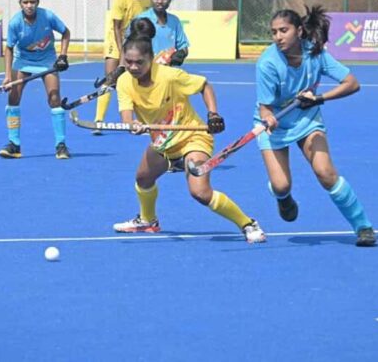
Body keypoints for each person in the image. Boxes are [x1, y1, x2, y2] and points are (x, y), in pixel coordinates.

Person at [113, 36, 266, 244]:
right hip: (163, 141)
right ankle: (148, 221)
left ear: (150, 58)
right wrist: (131, 125)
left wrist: (213, 114)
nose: (133, 67)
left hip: (193, 138)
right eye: (129, 62)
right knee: (143, 178)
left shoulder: (169, 76)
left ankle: (248, 224)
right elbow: (126, 115)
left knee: (200, 192)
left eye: (139, 62)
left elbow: (204, 85)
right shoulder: (124, 81)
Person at [255, 5, 377, 247]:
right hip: (275, 126)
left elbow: (352, 83)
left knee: (325, 173)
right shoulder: (267, 63)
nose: (278, 37)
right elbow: (264, 108)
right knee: (281, 185)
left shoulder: (315, 53)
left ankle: (363, 227)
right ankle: (283, 197)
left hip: (307, 120)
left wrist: (319, 99)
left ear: (299, 31)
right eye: (274, 32)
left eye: (283, 30)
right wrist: (269, 119)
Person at [0, 0, 71, 160]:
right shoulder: (15, 23)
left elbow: (66, 32)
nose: (29, 5)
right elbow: (9, 48)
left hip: (47, 61)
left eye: (32, 2)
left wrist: (63, 56)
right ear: (20, 3)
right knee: (13, 98)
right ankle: (14, 144)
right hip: (23, 61)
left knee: (54, 99)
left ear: (38, 2)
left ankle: (61, 145)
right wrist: (7, 76)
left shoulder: (48, 16)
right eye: (25, 2)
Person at [93, 0, 151, 134]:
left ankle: (141, 121)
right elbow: (117, 28)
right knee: (110, 79)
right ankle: (98, 120)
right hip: (117, 40)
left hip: (136, 42)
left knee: (141, 80)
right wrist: (122, 54)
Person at [128, 0, 189, 66]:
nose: (160, 1)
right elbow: (128, 45)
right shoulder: (141, 20)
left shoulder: (174, 21)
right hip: (144, 69)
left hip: (168, 69)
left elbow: (183, 47)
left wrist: (180, 54)